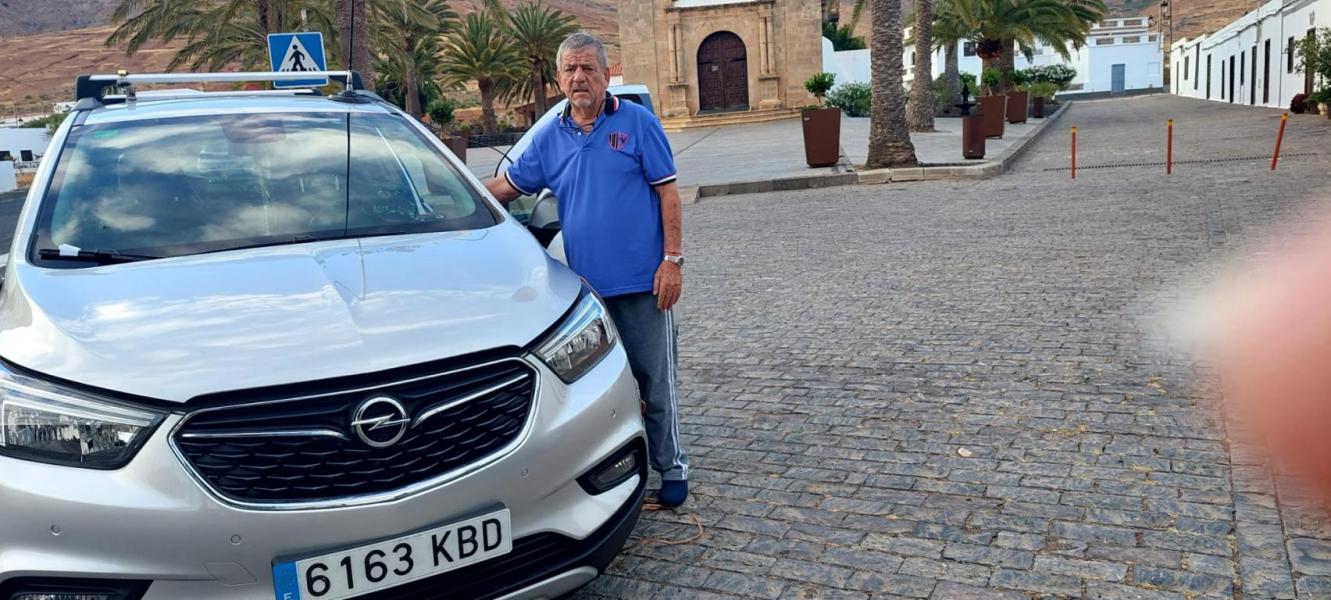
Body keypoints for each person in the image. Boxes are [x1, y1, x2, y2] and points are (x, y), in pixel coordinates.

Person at [485, 32, 690, 507]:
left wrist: (672, 261)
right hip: (585, 298)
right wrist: (454, 198)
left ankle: (672, 465)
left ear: (606, 75)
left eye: (588, 68)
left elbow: (668, 193)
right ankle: (608, 470)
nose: (579, 77)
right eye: (570, 69)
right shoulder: (548, 138)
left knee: (655, 380)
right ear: (559, 78)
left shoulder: (638, 124)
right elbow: (507, 187)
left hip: (644, 285)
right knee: (596, 391)